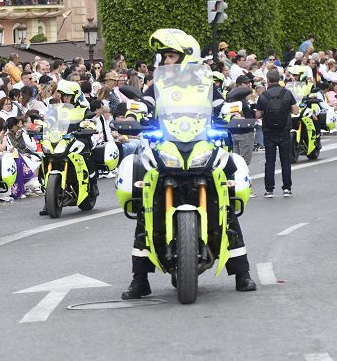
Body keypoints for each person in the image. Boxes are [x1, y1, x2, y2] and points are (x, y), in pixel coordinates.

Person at [121, 28, 255, 299]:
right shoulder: (157, 85)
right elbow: (143, 104)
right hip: (166, 146)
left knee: (225, 200)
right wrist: (132, 115)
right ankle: (140, 279)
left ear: (187, 57)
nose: (166, 61)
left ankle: (242, 273)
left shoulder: (206, 84)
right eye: (165, 56)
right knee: (147, 205)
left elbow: (222, 106)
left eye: (170, 55)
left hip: (202, 145)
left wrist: (232, 114)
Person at [256, 69, 298, 198]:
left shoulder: (263, 96)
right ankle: (287, 188)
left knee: (270, 161)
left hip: (269, 132)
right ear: (279, 79)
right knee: (285, 160)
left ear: (268, 80)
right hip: (284, 130)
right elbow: (296, 111)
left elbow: (258, 114)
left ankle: (269, 190)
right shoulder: (287, 93)